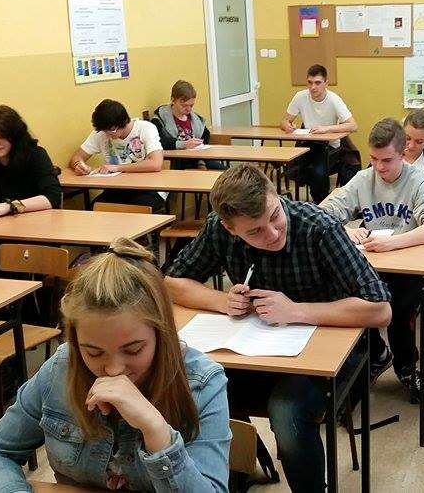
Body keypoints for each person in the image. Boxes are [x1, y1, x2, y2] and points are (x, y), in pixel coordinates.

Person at [164, 164, 390, 492]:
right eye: (254, 231)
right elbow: (171, 281)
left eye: (275, 216)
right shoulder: (217, 228)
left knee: (287, 411)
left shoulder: (318, 227)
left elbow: (380, 309)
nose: (271, 234)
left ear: (277, 196)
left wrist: (296, 310)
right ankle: (236, 472)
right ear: (230, 228)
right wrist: (223, 301)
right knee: (204, 387)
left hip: (331, 356)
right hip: (261, 351)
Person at [0, 238, 230, 492]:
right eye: (93, 353)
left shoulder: (202, 382)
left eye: (133, 349)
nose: (114, 369)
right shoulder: (61, 367)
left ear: (162, 335)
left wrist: (156, 430)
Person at [320, 117, 424, 403]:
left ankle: (406, 367)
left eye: (387, 160)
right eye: (374, 159)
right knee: (345, 301)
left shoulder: (419, 181)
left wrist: (392, 243)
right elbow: (325, 213)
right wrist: (346, 230)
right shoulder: (364, 179)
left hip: (407, 267)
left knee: (398, 310)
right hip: (370, 265)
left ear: (403, 153)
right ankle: (376, 354)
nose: (379, 167)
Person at [68, 99, 166, 211]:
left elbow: (156, 163)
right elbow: (77, 157)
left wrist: (117, 168)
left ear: (123, 121)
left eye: (111, 130)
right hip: (117, 189)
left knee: (131, 213)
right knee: (94, 209)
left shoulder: (146, 128)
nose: (107, 134)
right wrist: (78, 165)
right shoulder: (102, 132)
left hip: (149, 189)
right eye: (104, 131)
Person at [281, 64, 359, 203]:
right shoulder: (300, 96)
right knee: (296, 166)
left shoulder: (333, 99)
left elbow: (353, 125)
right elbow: (284, 121)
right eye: (309, 82)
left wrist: (326, 129)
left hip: (329, 146)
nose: (313, 87)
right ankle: (316, 200)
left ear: (326, 83)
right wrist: (287, 125)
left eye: (317, 83)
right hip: (308, 143)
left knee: (318, 172)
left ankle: (322, 203)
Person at [151, 80, 226, 171]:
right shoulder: (159, 119)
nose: (188, 109)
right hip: (176, 163)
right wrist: (184, 144)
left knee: (228, 173)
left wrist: (200, 156)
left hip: (198, 160)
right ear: (173, 100)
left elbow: (205, 135)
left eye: (191, 105)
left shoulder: (195, 119)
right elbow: (159, 141)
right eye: (184, 106)